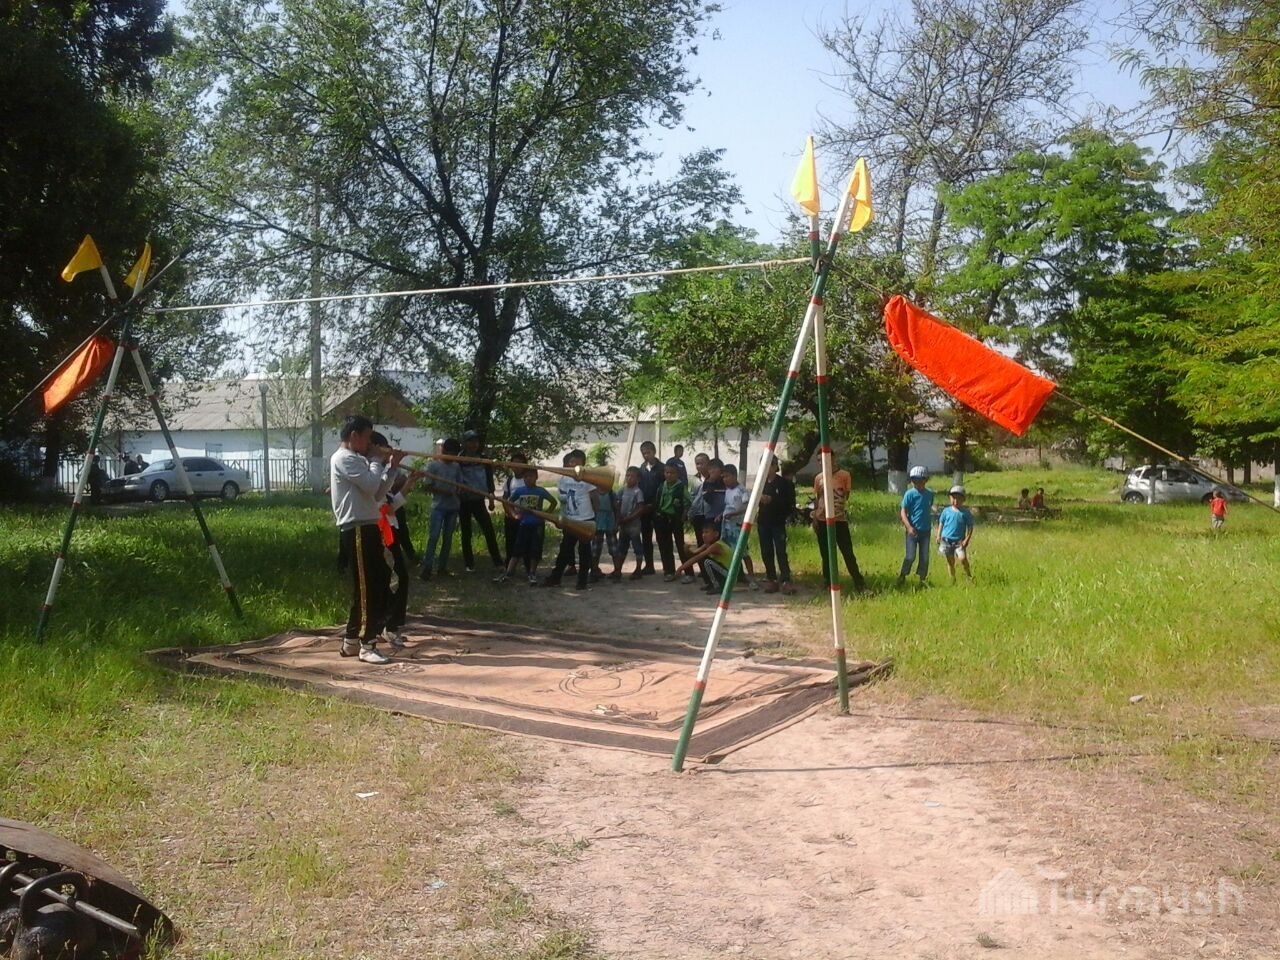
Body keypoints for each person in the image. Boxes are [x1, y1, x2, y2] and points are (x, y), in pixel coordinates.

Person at [330, 414, 404, 664]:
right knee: (368, 588)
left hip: (368, 527)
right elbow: (372, 485)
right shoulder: (345, 458)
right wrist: (376, 460)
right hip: (357, 529)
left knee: (378, 581)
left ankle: (352, 640)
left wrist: (392, 467)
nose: (370, 444)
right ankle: (367, 643)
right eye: (368, 438)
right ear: (354, 436)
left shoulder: (358, 459)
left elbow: (378, 493)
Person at [371, 432, 423, 645]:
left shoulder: (381, 472)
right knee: (393, 580)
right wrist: (391, 466)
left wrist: (409, 482)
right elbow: (378, 503)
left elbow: (391, 504)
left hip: (390, 533)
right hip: (378, 534)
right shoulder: (370, 472)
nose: (388, 454)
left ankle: (386, 625)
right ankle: (385, 626)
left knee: (396, 579)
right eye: (384, 449)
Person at [540, 450, 598, 590]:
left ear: (583, 464)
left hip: (585, 519)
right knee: (565, 549)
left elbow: (595, 498)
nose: (573, 465)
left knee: (584, 551)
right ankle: (555, 578)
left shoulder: (588, 479)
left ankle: (582, 581)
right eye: (571, 462)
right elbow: (563, 501)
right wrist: (562, 517)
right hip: (570, 519)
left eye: (577, 463)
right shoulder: (563, 479)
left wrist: (595, 517)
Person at [495, 468, 556, 584]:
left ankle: (532, 573)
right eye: (526, 477)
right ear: (523, 478)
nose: (528, 479)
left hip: (537, 525)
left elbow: (553, 502)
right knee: (517, 549)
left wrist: (546, 514)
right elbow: (509, 503)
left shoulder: (540, 491)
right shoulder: (520, 491)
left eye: (531, 476)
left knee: (535, 549)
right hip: (523, 524)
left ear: (536, 477)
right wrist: (514, 514)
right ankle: (509, 573)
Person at [813, 462, 867, 593]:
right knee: (825, 553)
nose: (822, 462)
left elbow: (846, 496)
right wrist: (815, 517)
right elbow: (818, 498)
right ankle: (828, 581)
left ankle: (859, 583)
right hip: (822, 520)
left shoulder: (844, 475)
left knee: (847, 552)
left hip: (839, 520)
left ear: (832, 458)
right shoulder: (819, 478)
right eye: (819, 460)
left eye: (824, 458)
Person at [457, 429, 503, 572]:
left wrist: (491, 498)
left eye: (476, 441)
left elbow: (489, 480)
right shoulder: (459, 459)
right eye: (470, 441)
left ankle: (498, 562)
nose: (474, 444)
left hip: (479, 500)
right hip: (464, 500)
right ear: (465, 443)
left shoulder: (483, 459)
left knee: (489, 530)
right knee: (466, 533)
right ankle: (469, 563)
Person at [419, 438, 464, 581]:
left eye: (455, 454)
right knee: (433, 537)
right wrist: (443, 492)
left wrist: (458, 490)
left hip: (453, 507)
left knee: (448, 538)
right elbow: (426, 486)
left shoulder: (456, 467)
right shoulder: (433, 465)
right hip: (438, 507)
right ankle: (427, 567)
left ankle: (442, 567)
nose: (452, 457)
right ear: (444, 450)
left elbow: (460, 484)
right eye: (450, 453)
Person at [756, 459, 797, 594]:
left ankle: (785, 579)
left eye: (768, 465)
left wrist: (772, 500)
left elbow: (790, 503)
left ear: (774, 466)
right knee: (766, 551)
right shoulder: (760, 483)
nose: (765, 469)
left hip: (778, 522)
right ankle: (771, 578)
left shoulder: (784, 483)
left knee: (780, 550)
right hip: (763, 521)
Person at [719, 464, 760, 589]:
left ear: (734, 476)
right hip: (727, 527)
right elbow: (727, 506)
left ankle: (752, 578)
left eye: (727, 476)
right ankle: (734, 577)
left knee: (744, 553)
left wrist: (733, 514)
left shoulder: (741, 490)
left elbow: (747, 507)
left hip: (738, 527)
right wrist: (721, 515)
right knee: (729, 553)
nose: (725, 479)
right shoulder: (727, 490)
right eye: (723, 477)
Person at [897, 465, 935, 586]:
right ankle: (903, 575)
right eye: (914, 480)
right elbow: (903, 511)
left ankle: (922, 579)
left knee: (924, 557)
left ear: (925, 480)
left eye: (920, 480)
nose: (917, 483)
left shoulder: (930, 494)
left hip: (925, 531)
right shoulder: (909, 494)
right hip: (912, 531)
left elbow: (928, 507)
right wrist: (908, 527)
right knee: (910, 556)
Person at [654, 463, 691, 582]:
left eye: (672, 473)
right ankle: (669, 571)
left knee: (680, 545)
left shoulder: (680, 487)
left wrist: (684, 515)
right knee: (665, 546)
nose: (669, 475)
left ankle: (689, 572)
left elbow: (688, 502)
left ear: (677, 474)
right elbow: (658, 501)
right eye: (667, 472)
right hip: (662, 518)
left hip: (675, 519)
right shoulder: (662, 486)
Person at [676, 525, 736, 595]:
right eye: (703, 532)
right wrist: (687, 550)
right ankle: (710, 584)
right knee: (703, 560)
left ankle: (717, 586)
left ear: (716, 534)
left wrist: (681, 568)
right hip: (724, 572)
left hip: (729, 576)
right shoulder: (707, 545)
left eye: (707, 532)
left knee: (707, 562)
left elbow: (697, 557)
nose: (704, 535)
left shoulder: (716, 545)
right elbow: (694, 554)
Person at [613, 466, 646, 581]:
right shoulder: (622, 490)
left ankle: (638, 569)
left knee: (637, 547)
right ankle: (618, 570)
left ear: (638, 479)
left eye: (632, 476)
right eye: (627, 475)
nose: (629, 478)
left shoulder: (638, 492)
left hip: (634, 525)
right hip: (623, 525)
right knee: (621, 547)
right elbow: (618, 503)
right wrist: (618, 518)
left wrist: (629, 518)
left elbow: (640, 508)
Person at [937, 485, 975, 583]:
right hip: (946, 540)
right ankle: (952, 579)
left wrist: (967, 539)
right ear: (950, 498)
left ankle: (969, 576)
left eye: (958, 499)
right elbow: (941, 523)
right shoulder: (946, 511)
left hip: (959, 541)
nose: (956, 501)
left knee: (962, 559)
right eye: (953, 498)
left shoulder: (965, 513)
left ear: (963, 500)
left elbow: (970, 527)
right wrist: (938, 535)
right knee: (950, 561)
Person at [636, 441, 664, 574]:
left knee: (662, 538)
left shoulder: (662, 468)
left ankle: (668, 567)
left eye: (648, 452)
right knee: (646, 538)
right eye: (644, 453)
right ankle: (649, 566)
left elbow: (664, 489)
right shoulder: (641, 469)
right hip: (645, 509)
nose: (646, 455)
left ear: (654, 452)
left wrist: (655, 504)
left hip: (659, 508)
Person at [500, 452, 530, 565]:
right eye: (514, 464)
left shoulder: (528, 480)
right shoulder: (509, 481)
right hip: (512, 517)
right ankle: (509, 566)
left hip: (526, 517)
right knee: (511, 543)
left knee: (527, 543)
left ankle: (528, 567)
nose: (517, 466)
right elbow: (505, 499)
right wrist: (512, 514)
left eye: (519, 464)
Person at [591, 482, 620, 581]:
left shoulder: (611, 493)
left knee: (614, 548)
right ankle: (594, 571)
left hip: (609, 522)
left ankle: (617, 571)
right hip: (597, 523)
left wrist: (616, 523)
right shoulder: (593, 492)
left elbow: (616, 509)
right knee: (595, 549)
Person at [687, 452, 711, 542]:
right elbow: (692, 496)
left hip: (710, 514)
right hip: (697, 514)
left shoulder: (713, 478)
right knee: (700, 539)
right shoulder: (694, 479)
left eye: (701, 463)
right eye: (697, 464)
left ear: (708, 464)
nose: (699, 466)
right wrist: (690, 513)